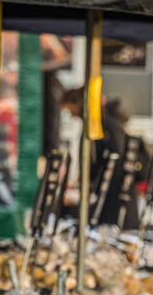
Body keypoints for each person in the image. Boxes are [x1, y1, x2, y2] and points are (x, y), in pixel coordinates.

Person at [62, 88, 146, 228]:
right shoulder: (101, 123)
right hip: (114, 194)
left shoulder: (103, 125)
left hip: (114, 196)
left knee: (113, 236)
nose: (70, 114)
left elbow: (110, 159)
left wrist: (89, 184)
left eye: (69, 109)